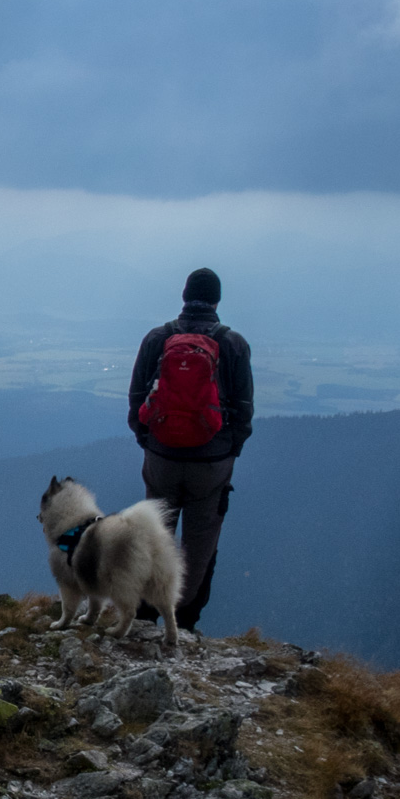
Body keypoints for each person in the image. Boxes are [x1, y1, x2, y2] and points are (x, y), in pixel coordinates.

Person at [127, 267, 253, 634]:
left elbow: (137, 402)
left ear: (184, 297)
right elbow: (244, 411)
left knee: (155, 537)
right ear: (216, 301)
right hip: (212, 463)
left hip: (162, 457)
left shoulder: (157, 338)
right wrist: (230, 450)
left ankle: (145, 617)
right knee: (200, 545)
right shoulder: (233, 344)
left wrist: (148, 441)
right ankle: (184, 622)